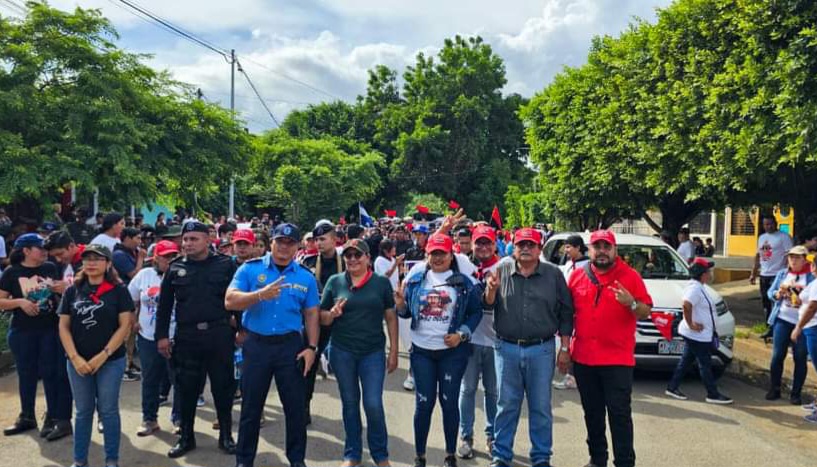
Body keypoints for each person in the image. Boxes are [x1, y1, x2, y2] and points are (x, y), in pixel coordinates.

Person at [225, 223, 320, 467]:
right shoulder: (250, 270)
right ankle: (244, 460)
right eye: (280, 242)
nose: (284, 248)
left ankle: (297, 459)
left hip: (290, 347)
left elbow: (311, 314)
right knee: (251, 409)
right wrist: (259, 295)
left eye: (290, 243)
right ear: (271, 244)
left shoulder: (305, 277)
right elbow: (230, 301)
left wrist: (312, 347)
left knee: (295, 409)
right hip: (257, 345)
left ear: (297, 247)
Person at [483, 228, 573, 467]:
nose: (525, 249)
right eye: (520, 244)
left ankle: (541, 458)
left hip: (541, 349)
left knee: (541, 407)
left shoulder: (553, 274)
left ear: (539, 249)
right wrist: (490, 290)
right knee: (506, 405)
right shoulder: (501, 269)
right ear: (513, 246)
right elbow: (487, 304)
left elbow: (566, 312)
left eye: (530, 245)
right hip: (506, 348)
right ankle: (501, 456)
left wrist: (565, 348)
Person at [395, 233, 483, 467]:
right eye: (433, 253)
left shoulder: (464, 283)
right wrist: (400, 304)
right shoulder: (416, 280)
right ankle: (420, 455)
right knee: (423, 403)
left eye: (442, 253)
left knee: (449, 402)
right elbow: (406, 313)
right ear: (427, 254)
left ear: (450, 254)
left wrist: (461, 333)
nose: (437, 258)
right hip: (422, 351)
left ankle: (449, 454)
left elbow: (476, 312)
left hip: (452, 353)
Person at [568, 230, 653, 467]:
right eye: (597, 247)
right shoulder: (577, 276)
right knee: (592, 414)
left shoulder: (630, 276)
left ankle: (624, 462)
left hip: (617, 360)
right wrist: (563, 348)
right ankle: (597, 459)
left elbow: (646, 310)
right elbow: (565, 314)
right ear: (590, 250)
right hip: (584, 358)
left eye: (607, 247)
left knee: (619, 415)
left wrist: (632, 303)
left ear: (615, 250)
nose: (602, 251)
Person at [155, 221, 238, 458]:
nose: (188, 244)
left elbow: (237, 299)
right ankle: (186, 437)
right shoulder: (175, 268)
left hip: (219, 334)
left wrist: (241, 328)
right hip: (187, 337)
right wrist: (162, 337)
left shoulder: (225, 265)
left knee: (223, 388)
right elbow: (164, 307)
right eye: (186, 239)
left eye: (194, 239)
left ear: (208, 240)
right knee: (187, 389)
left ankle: (226, 436)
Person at [320, 239, 399, 467]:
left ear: (367, 258)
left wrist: (393, 351)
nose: (353, 259)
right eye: (348, 256)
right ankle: (352, 453)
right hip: (342, 351)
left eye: (358, 255)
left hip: (372, 352)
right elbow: (321, 316)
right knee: (350, 402)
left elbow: (391, 317)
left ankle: (380, 455)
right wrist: (332, 314)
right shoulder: (335, 282)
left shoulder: (381, 283)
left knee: (373, 403)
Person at [57, 244, 133, 467]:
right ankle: (80, 460)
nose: (91, 263)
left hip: (111, 361)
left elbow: (124, 325)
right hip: (78, 362)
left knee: (108, 410)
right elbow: (63, 326)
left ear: (108, 264)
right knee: (82, 412)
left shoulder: (118, 290)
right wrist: (74, 357)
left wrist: (104, 355)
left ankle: (111, 459)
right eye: (87, 258)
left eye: (97, 259)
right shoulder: (73, 290)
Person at [0, 233, 73, 441]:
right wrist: (20, 302)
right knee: (26, 374)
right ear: (26, 251)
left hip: (49, 329)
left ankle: (52, 417)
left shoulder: (50, 267)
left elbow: (62, 292)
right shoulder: (11, 272)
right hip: (22, 331)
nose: (44, 251)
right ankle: (27, 416)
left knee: (50, 373)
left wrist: (62, 289)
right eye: (39, 248)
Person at [457, 225, 501, 460]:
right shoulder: (465, 266)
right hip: (471, 339)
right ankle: (466, 436)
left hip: (496, 341)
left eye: (488, 243)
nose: (483, 247)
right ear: (471, 244)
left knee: (493, 392)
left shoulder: (504, 267)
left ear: (495, 244)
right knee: (468, 390)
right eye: (479, 243)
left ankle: (492, 436)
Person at [128, 240, 180, 436]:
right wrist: (133, 320)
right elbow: (129, 300)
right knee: (150, 379)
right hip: (148, 336)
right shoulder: (144, 275)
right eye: (166, 256)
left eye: (173, 256)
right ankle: (149, 418)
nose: (170, 260)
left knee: (179, 379)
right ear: (156, 258)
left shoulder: (182, 274)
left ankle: (180, 418)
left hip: (177, 335)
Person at [665, 258, 733, 404]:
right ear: (702, 274)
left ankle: (672, 387)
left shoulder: (699, 287)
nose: (710, 274)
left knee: (686, 361)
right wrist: (691, 324)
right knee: (705, 364)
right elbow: (686, 305)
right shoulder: (694, 288)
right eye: (708, 271)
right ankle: (712, 394)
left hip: (698, 334)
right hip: (696, 334)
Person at [300, 221, 345, 423]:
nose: (318, 243)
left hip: (345, 319)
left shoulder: (348, 259)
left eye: (322, 239)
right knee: (309, 363)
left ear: (334, 240)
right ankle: (304, 404)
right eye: (316, 239)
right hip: (316, 319)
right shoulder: (307, 262)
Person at [765, 245, 812, 405]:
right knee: (777, 355)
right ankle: (774, 388)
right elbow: (770, 292)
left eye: (797, 257)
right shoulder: (783, 274)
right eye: (791, 257)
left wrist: (800, 299)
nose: (792, 260)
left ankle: (796, 393)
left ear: (805, 259)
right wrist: (777, 294)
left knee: (800, 357)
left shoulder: (811, 277)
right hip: (783, 319)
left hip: (802, 323)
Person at [750, 215, 793, 338]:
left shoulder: (783, 237)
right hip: (764, 274)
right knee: (766, 302)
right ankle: (769, 327)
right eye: (765, 224)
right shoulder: (762, 237)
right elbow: (758, 256)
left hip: (777, 274)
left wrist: (786, 273)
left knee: (776, 301)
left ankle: (777, 329)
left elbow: (788, 255)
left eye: (770, 224)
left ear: (775, 223)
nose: (768, 226)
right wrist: (753, 273)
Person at [112, 227, 145, 382]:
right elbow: (134, 275)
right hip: (124, 299)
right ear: (127, 238)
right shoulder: (119, 254)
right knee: (125, 334)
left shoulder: (130, 253)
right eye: (137, 238)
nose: (139, 242)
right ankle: (124, 368)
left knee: (131, 333)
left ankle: (130, 362)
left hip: (131, 299)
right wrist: (140, 260)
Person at [790, 253, 817, 423]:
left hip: (812, 327)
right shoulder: (812, 284)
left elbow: (813, 306)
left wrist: (798, 327)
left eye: (811, 264)